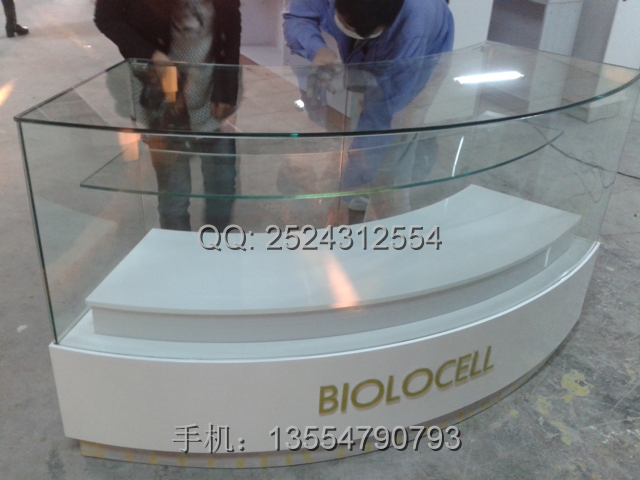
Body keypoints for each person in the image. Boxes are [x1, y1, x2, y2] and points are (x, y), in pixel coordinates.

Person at [283, 0, 454, 223]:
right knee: (359, 145)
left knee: (389, 167)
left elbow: (381, 116)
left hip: (423, 57)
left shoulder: (414, 28)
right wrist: (318, 49)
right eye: (348, 23)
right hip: (377, 50)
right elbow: (297, 16)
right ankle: (356, 199)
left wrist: (343, 194)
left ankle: (392, 230)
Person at [95, 0, 241, 231]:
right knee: (174, 192)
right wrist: (150, 55)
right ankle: (179, 252)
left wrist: (228, 88)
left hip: (211, 91)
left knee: (222, 186)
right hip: (162, 99)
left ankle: (217, 248)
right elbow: (107, 18)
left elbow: (231, 20)